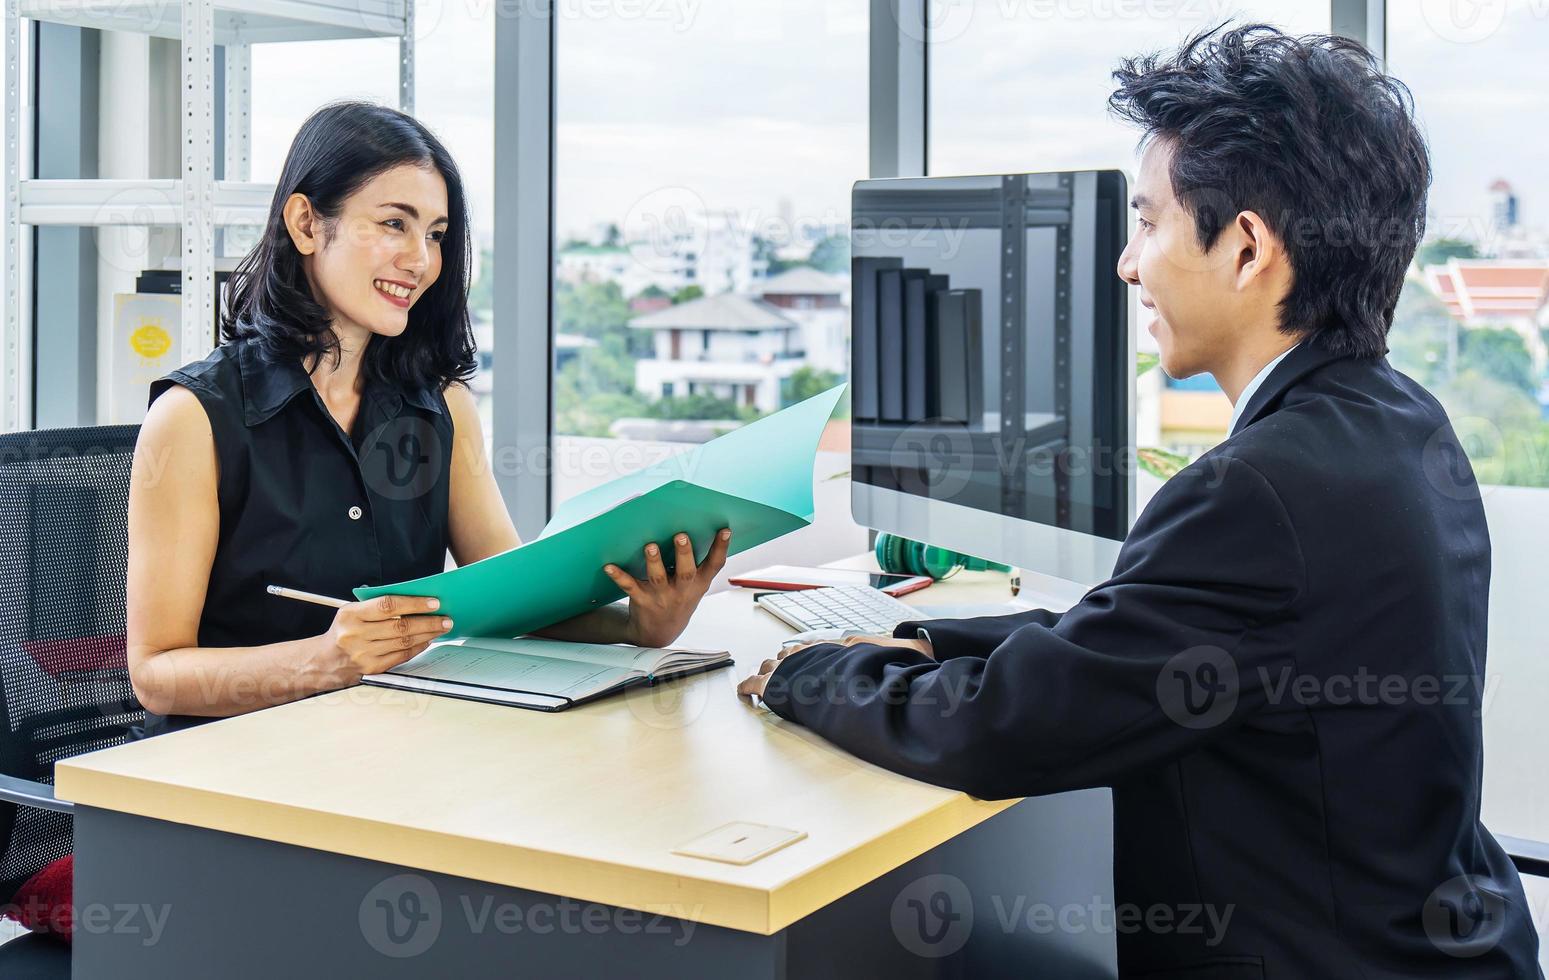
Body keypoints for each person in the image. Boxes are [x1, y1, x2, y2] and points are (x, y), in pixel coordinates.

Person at [739, 25, 1542, 978]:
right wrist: (926, 640)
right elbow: (1131, 635)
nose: (1127, 265)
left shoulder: (1259, 487)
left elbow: (1007, 731)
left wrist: (804, 676)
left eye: (1150, 223)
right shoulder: (1397, 421)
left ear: (1246, 248)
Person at [127, 102, 728, 736]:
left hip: (388, 746)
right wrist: (325, 663)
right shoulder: (192, 419)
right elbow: (156, 675)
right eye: (394, 224)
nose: (421, 260)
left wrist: (639, 624)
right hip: (219, 776)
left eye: (436, 234)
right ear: (307, 223)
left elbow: (512, 600)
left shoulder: (441, 406)